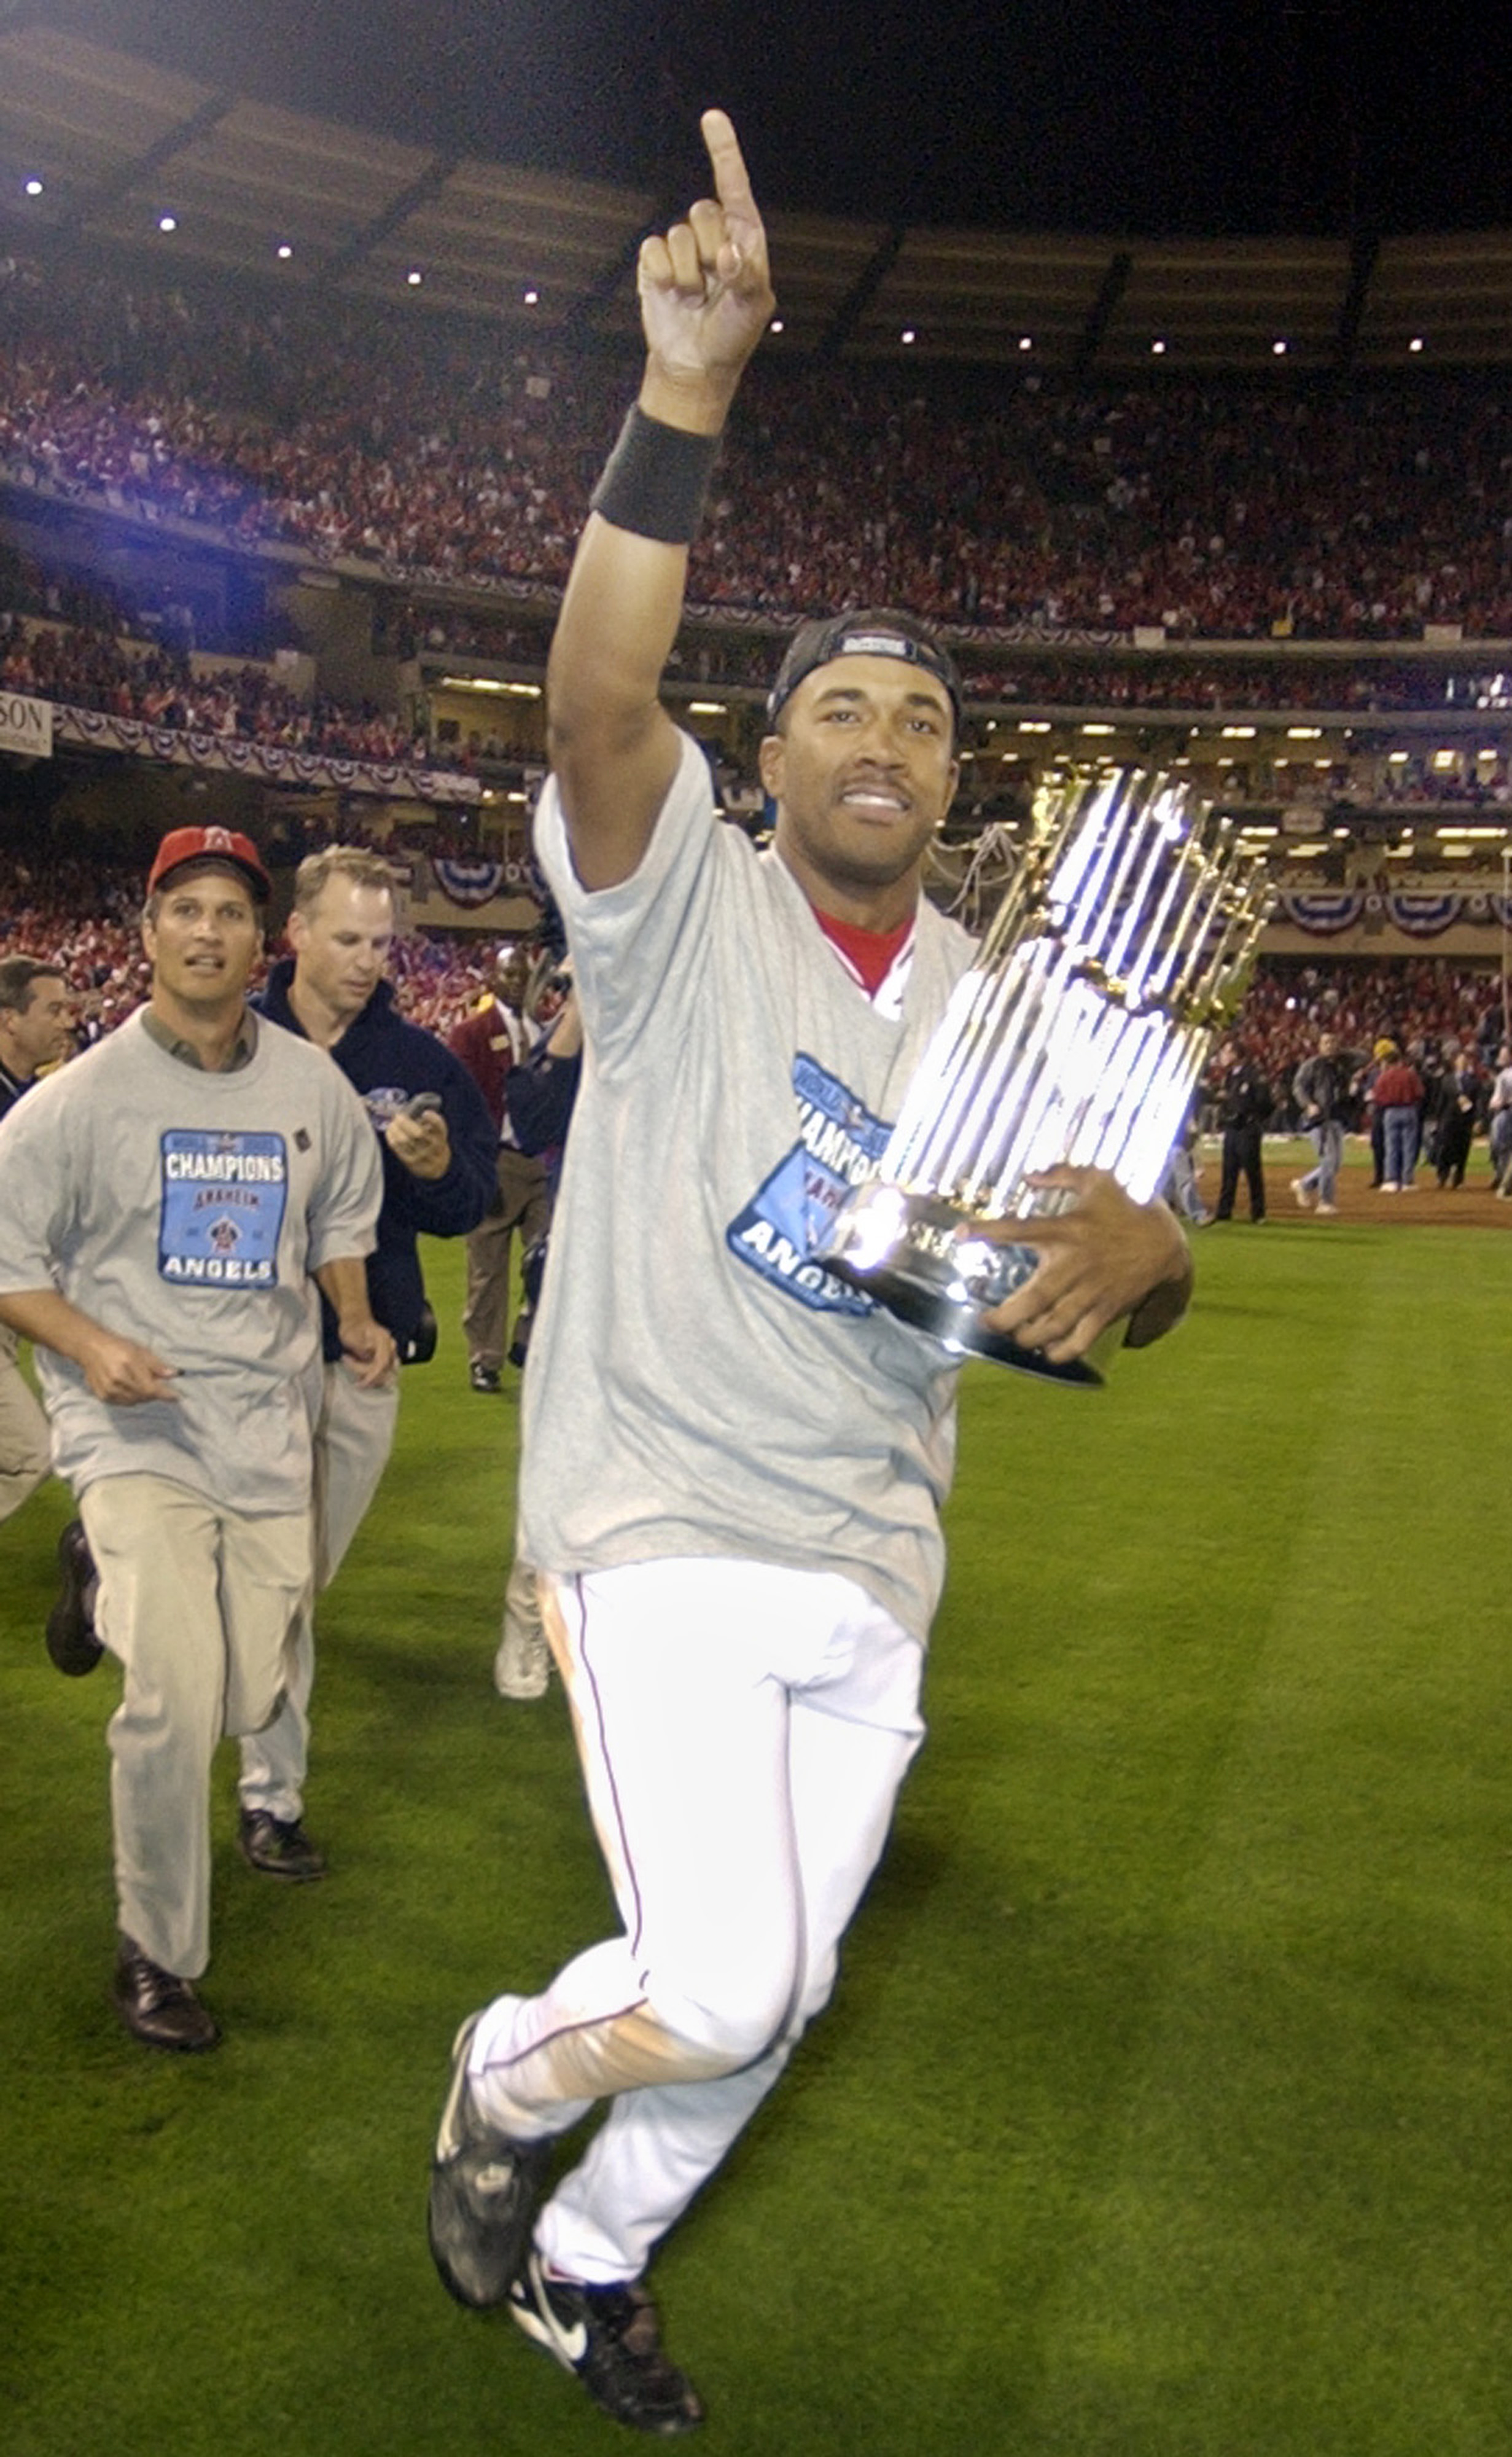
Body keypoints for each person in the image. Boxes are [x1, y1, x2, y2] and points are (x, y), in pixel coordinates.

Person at [425, 113, 1193, 2437]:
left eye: (923, 718)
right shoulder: (677, 896)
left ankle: (585, 2259)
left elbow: (1118, 1270)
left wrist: (1151, 1249)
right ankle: (497, 2078)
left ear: (950, 784)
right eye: (841, 706)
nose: (884, 738)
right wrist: (685, 392)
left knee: (786, 1991)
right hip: (658, 1515)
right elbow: (592, 706)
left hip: (871, 1552)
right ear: (763, 757)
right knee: (724, 1980)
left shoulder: (1001, 1004)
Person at [0, 824, 391, 2051]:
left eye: (230, 911)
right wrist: (88, 1343)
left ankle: (95, 1583)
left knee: (251, 1687)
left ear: (260, 938)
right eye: (186, 909)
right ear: (149, 932)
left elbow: (339, 1217)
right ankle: (157, 1951)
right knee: (173, 1695)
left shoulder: (310, 1089)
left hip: (263, 1424)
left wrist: (354, 1316)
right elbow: (7, 1259)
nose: (208, 931)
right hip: (135, 1426)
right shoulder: (76, 1102)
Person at [241, 846, 496, 1877]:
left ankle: (119, 1590)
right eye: (347, 938)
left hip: (364, 1350)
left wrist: (435, 1172)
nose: (365, 960)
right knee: (278, 1583)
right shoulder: (230, 1038)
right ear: (296, 933)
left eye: (381, 943)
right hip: (239, 1353)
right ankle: (271, 1797)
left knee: (294, 1580)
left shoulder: (420, 1061)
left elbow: (471, 1201)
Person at [493, 975, 584, 1701]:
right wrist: (584, 1005)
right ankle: (528, 1615)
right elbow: (530, 1115)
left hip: (692, 1276)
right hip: (589, 1271)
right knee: (562, 1455)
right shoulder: (585, 1038)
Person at [448, 950, 550, 1389]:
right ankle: (484, 1359)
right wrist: (474, 1164)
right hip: (497, 1160)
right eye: (509, 973)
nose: (517, 981)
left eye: (524, 974)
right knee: (487, 1269)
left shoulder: (546, 1032)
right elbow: (459, 1103)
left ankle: (530, 1342)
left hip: (542, 1161)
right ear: (493, 977)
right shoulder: (472, 1033)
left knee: (548, 1262)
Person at [0, 956, 75, 1532]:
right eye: (53, 1010)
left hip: (14, 1298)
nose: (66, 1021)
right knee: (31, 1451)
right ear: (10, 1020)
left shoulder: (33, 1096)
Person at [1210, 1037, 1271, 1221]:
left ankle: (1258, 1212)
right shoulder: (1230, 1076)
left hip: (1247, 1128)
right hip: (1232, 1128)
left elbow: (1265, 1102)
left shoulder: (1253, 1075)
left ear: (1237, 1054)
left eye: (1227, 1052)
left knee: (1252, 1171)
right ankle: (1224, 1210)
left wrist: (1250, 1115)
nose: (1223, 1056)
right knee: (1229, 1170)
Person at [1290, 1029, 1346, 1216]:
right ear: (1319, 1046)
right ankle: (1325, 1201)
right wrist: (1308, 1104)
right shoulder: (1312, 1065)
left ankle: (1305, 1184)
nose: (1330, 1046)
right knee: (1329, 1160)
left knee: (1335, 1164)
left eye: (1333, 1042)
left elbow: (1362, 1057)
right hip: (1319, 1119)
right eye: (1326, 1042)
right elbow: (1298, 1087)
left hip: (1336, 1118)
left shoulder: (1340, 1066)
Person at [1370, 1039, 1425, 1192]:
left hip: (1390, 1112)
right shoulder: (1410, 1075)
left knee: (1391, 1146)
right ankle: (1407, 1181)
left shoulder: (1384, 1076)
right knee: (1409, 1148)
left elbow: (1377, 1097)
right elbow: (1420, 1093)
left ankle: (1391, 1180)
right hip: (1409, 1110)